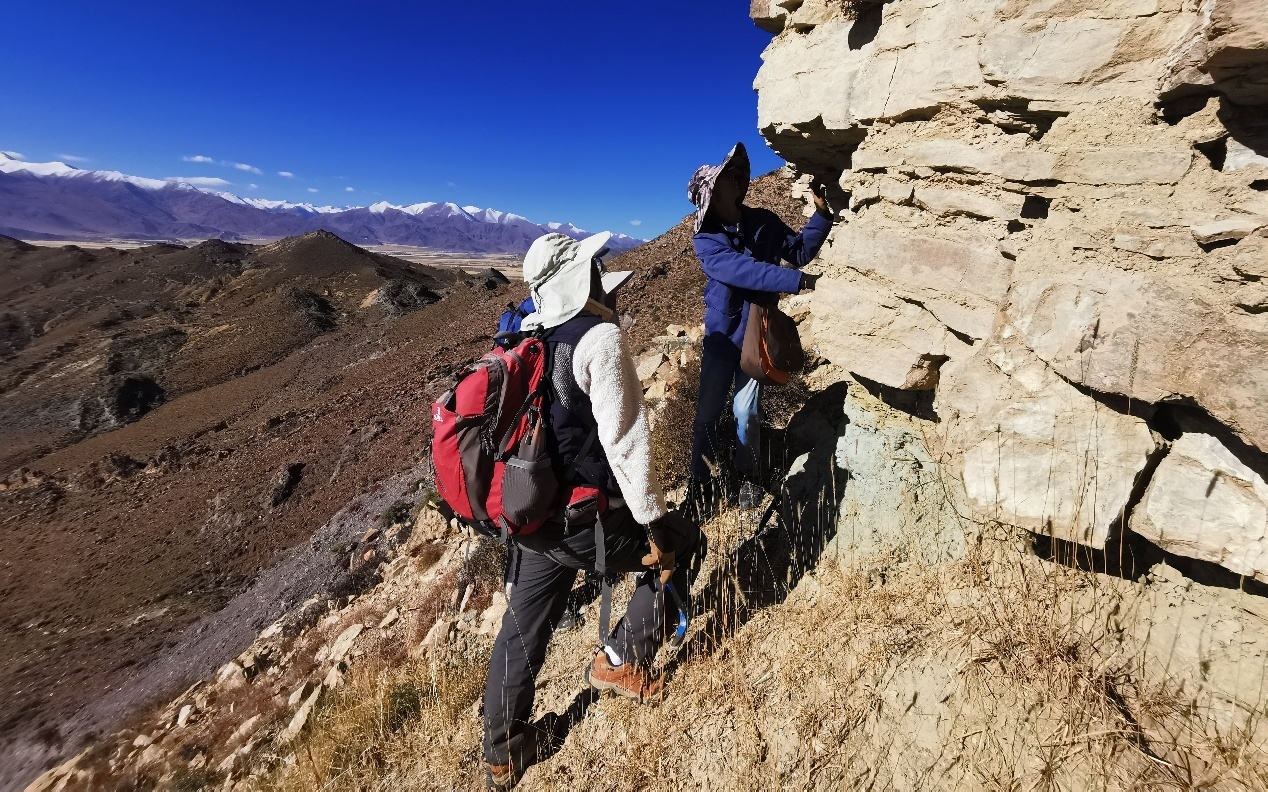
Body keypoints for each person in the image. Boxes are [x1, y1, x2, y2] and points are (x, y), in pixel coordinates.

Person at [482, 231, 703, 789]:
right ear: (580, 280)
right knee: (683, 544)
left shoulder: (536, 335)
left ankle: (502, 751)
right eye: (595, 269)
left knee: (523, 627)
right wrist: (656, 525)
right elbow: (626, 439)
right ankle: (621, 657)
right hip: (586, 516)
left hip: (533, 511)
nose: (605, 277)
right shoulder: (599, 339)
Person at [685, 142, 833, 515]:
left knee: (745, 409)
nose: (734, 181)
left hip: (758, 332)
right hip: (723, 336)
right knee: (708, 411)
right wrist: (797, 282)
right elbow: (740, 270)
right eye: (724, 180)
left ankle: (746, 473)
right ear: (711, 195)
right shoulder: (705, 240)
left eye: (734, 176)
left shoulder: (763, 220)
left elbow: (798, 250)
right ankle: (700, 484)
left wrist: (820, 216)